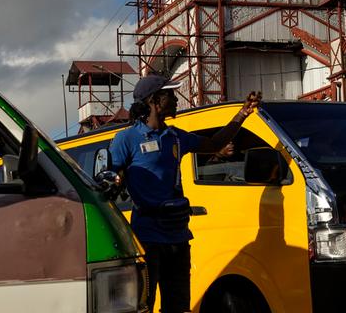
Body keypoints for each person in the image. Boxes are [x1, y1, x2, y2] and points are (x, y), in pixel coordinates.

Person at [109, 76, 260, 313]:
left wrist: (242, 114)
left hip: (178, 236)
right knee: (142, 306)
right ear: (154, 101)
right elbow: (110, 176)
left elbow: (214, 143)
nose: (176, 99)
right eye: (170, 95)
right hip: (148, 238)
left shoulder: (176, 136)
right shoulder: (126, 140)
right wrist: (115, 179)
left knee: (178, 307)